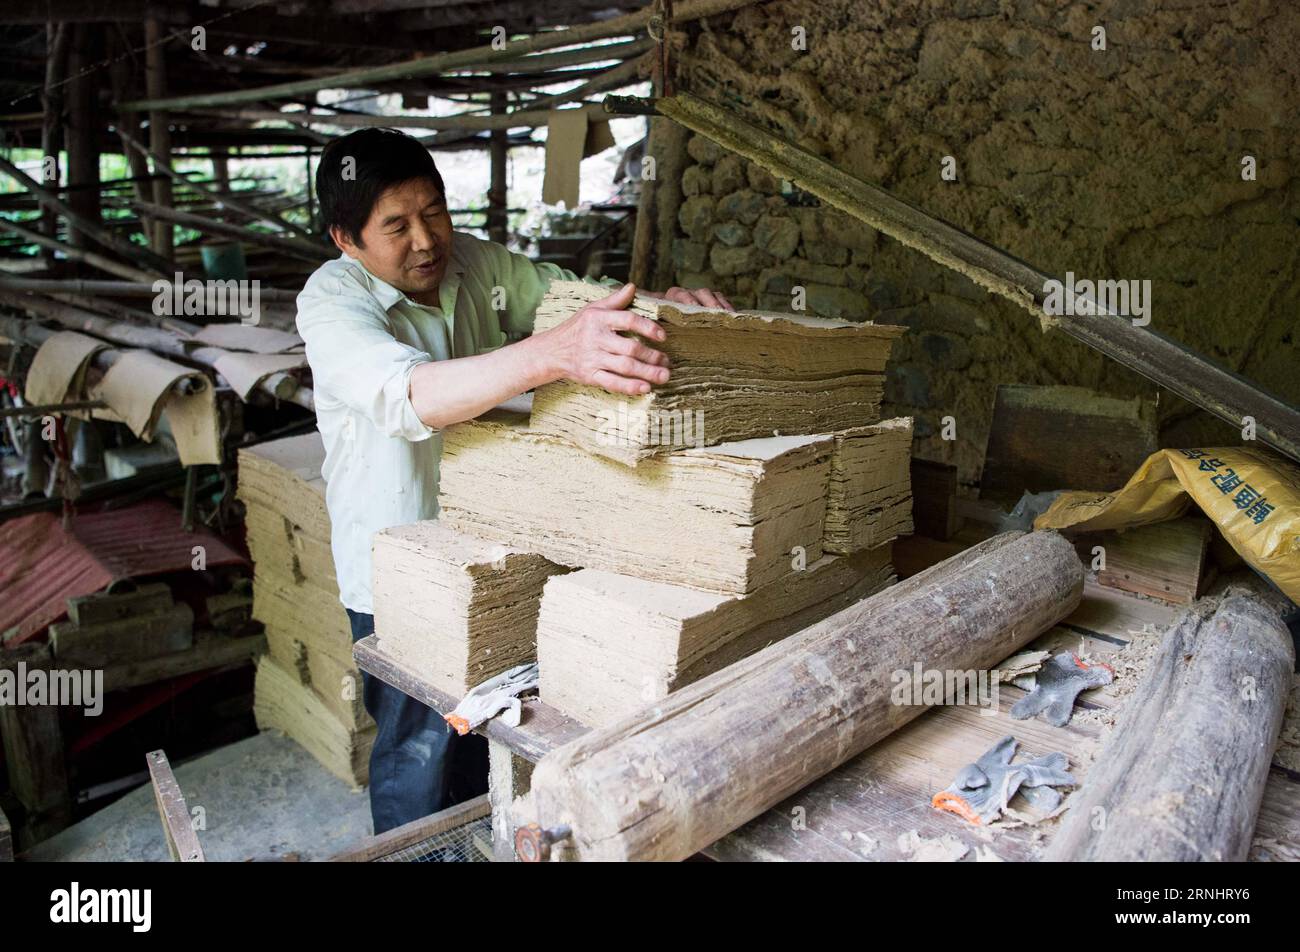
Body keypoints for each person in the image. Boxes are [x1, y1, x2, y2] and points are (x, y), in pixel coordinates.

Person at [296, 127, 733, 834]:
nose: (426, 240)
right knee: (422, 758)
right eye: (396, 226)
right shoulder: (331, 305)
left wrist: (661, 304)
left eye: (433, 212)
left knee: (496, 735)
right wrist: (553, 356)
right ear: (347, 238)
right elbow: (415, 399)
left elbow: (569, 298)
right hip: (400, 575)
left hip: (495, 552)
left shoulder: (473, 262)